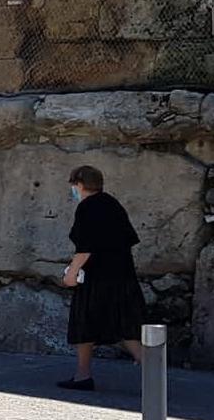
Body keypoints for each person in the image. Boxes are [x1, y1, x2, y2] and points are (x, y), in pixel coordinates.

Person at [55, 164, 147, 391]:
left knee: (84, 324)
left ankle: (83, 375)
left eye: (74, 186)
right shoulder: (112, 204)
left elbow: (85, 248)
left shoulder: (87, 208)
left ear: (80, 185)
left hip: (96, 279)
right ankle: (152, 372)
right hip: (122, 275)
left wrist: (71, 273)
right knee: (125, 325)